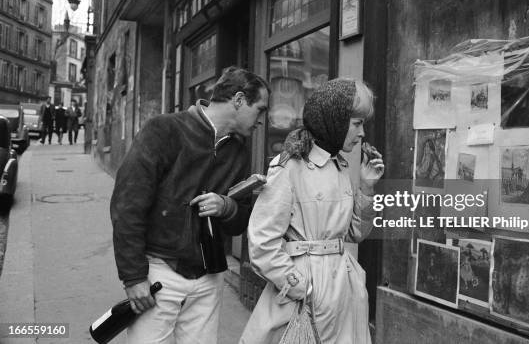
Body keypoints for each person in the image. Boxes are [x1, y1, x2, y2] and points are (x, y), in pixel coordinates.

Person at [110, 66, 270, 344]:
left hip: (208, 279)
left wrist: (226, 207)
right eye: (260, 109)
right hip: (158, 272)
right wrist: (133, 277)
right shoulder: (164, 130)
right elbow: (127, 206)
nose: (262, 120)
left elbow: (241, 219)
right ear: (239, 100)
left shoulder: (239, 153)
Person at [239, 79, 385, 344]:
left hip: (343, 291)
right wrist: (302, 287)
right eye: (357, 123)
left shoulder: (339, 166)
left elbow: (355, 234)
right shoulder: (289, 167)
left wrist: (366, 186)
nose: (362, 133)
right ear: (335, 120)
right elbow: (262, 243)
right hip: (303, 297)